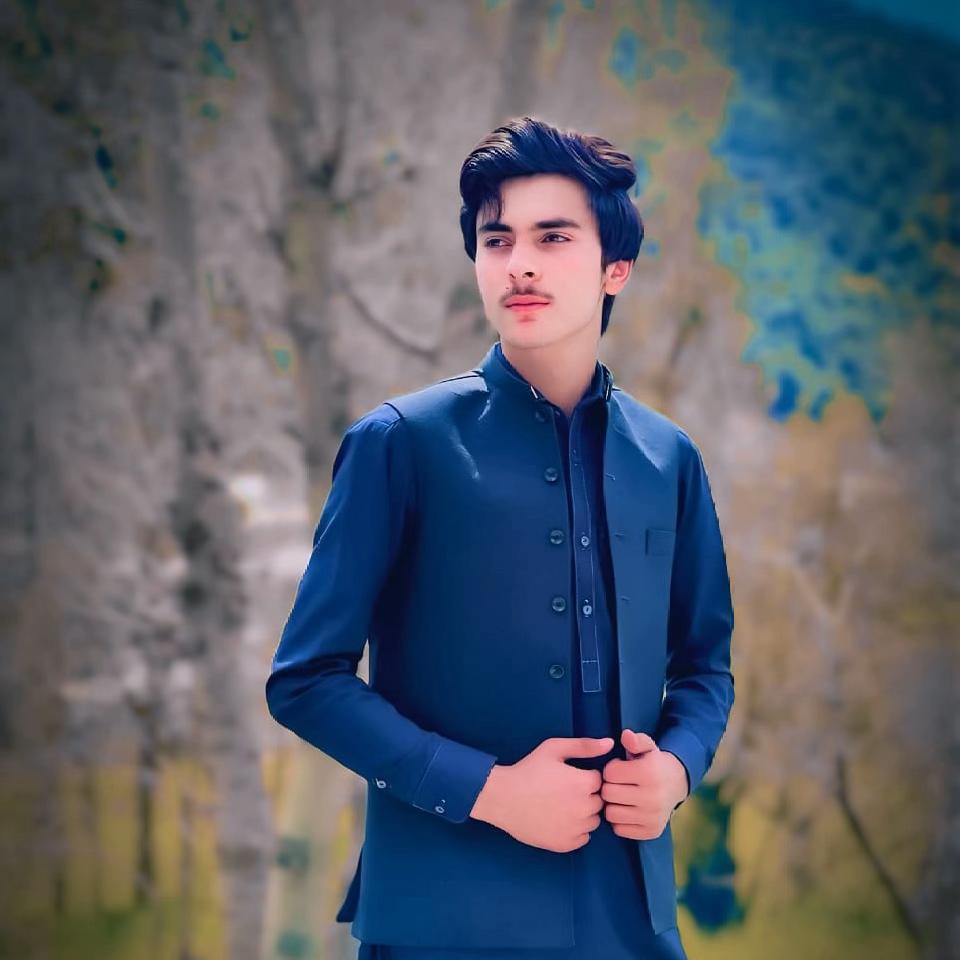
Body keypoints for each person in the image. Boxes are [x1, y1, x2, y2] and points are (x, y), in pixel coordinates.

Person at [265, 116, 735, 959]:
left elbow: (705, 667)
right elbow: (305, 681)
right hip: (442, 924)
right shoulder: (400, 444)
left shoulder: (670, 459)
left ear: (616, 267)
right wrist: (489, 792)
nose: (519, 262)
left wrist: (676, 768)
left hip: (630, 924)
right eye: (497, 239)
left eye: (553, 237)